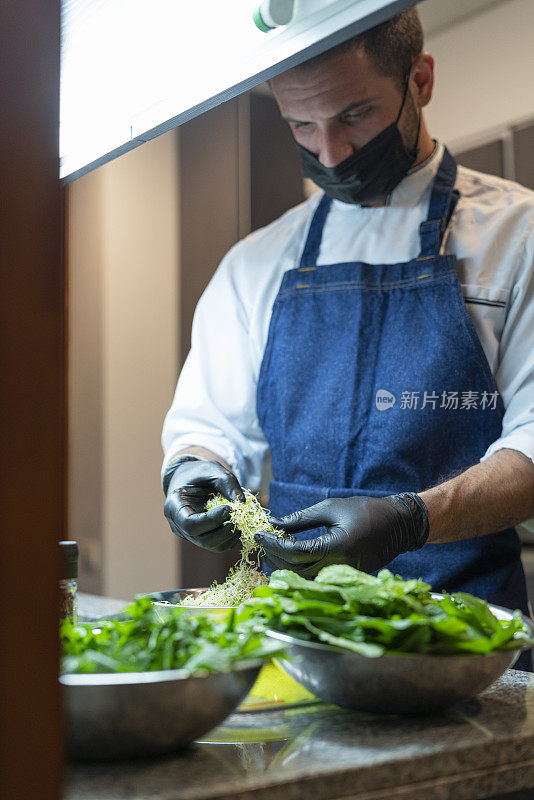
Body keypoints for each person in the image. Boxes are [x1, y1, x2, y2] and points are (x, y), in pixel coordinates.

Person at [161, 10, 534, 668]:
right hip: (298, 646)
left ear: (420, 80)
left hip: (465, 649)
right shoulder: (255, 263)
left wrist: (411, 518)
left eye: (355, 115)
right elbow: (210, 424)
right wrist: (196, 470)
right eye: (302, 125)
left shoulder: (518, 236)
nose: (328, 153)